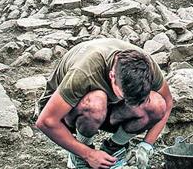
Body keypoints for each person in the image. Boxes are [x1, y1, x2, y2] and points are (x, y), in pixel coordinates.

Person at [35, 38, 173, 169]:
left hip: (108, 110)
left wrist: (146, 145)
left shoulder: (146, 67)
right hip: (66, 111)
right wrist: (88, 154)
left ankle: (113, 149)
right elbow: (46, 121)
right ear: (112, 76)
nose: (129, 103)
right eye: (124, 96)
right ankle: (81, 153)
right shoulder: (84, 72)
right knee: (96, 101)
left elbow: (167, 103)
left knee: (156, 103)